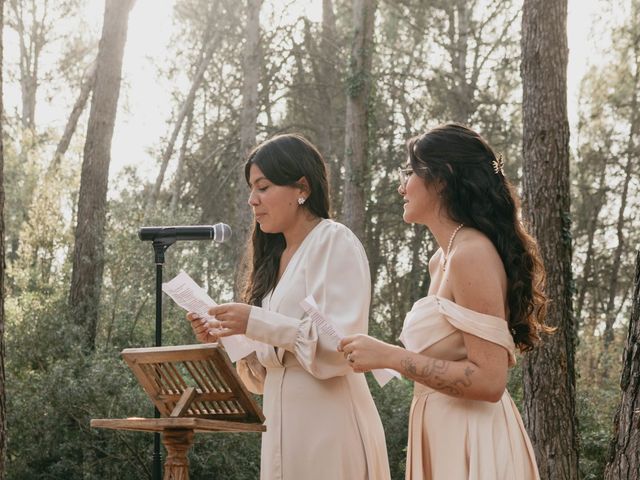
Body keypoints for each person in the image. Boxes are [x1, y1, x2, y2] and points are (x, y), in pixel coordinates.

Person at [339, 123, 552, 479]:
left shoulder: (472, 253)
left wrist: (389, 355)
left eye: (409, 172)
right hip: (438, 427)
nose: (401, 185)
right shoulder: (441, 258)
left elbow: (489, 380)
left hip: (472, 439)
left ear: (441, 178)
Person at [187, 133, 390, 480]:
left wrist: (255, 321)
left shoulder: (333, 241)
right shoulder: (273, 261)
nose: (252, 200)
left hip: (330, 427)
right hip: (281, 430)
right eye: (251, 189)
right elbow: (263, 376)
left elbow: (342, 349)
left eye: (263, 187)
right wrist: (231, 336)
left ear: (302, 188)